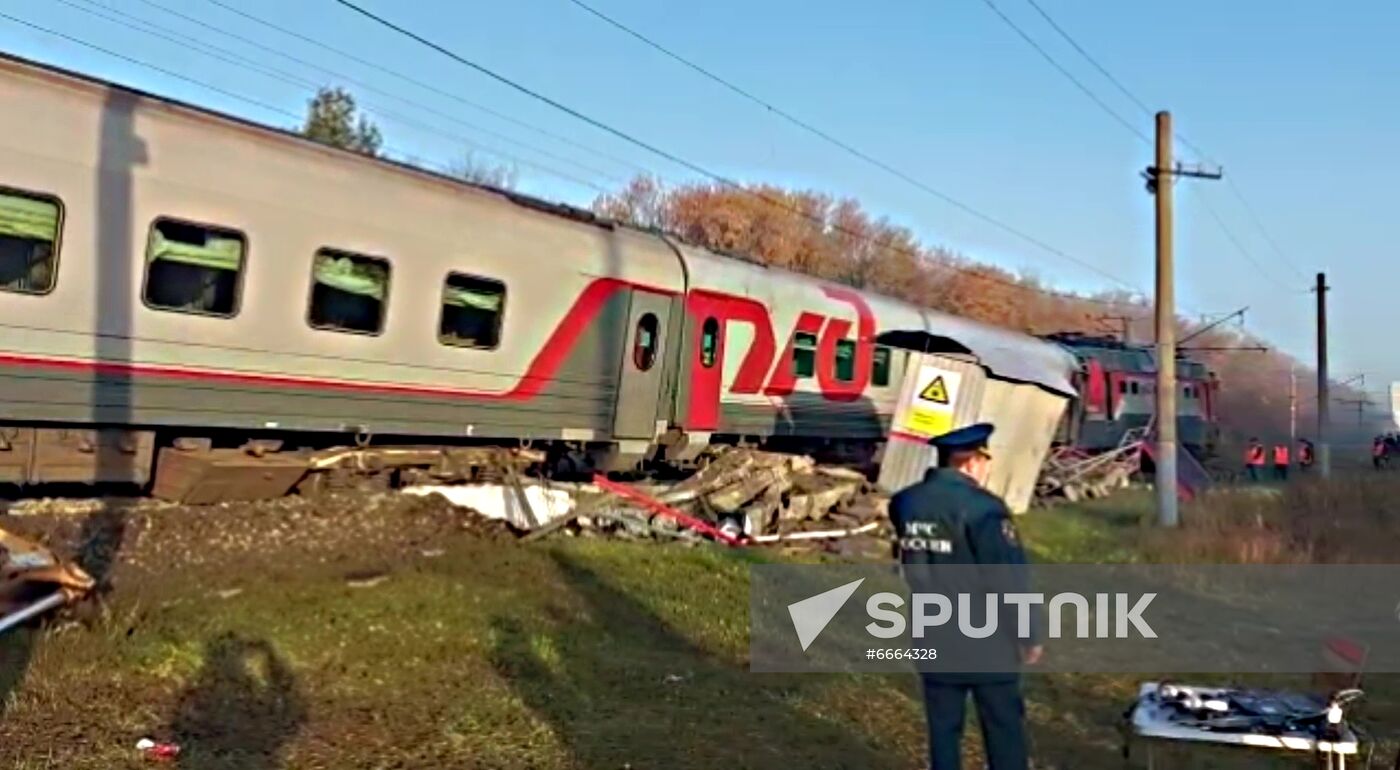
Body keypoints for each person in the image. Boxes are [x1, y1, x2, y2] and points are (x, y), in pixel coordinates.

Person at [889, 422, 1040, 770]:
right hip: (987, 639)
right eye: (985, 461)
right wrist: (1027, 634)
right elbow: (1009, 578)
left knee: (943, 731)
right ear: (972, 462)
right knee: (1003, 729)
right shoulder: (985, 508)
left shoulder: (905, 503)